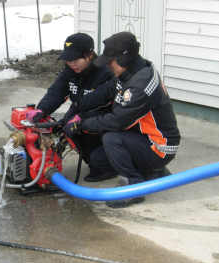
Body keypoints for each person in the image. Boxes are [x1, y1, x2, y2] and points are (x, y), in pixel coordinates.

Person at [63, 31, 181, 208]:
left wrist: (82, 124)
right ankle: (153, 172)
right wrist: (77, 107)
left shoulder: (140, 84)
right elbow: (104, 93)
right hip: (144, 138)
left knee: (112, 137)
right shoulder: (130, 73)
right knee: (99, 160)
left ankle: (132, 189)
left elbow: (117, 121)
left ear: (123, 59)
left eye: (110, 60)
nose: (108, 64)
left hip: (160, 147)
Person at [25, 32, 116, 182]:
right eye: (68, 60)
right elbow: (57, 91)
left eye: (76, 59)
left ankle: (108, 166)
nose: (71, 63)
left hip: (104, 121)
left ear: (89, 55)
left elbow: (111, 110)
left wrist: (82, 118)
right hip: (80, 113)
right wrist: (42, 109)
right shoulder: (70, 71)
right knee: (65, 126)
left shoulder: (105, 74)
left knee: (94, 155)